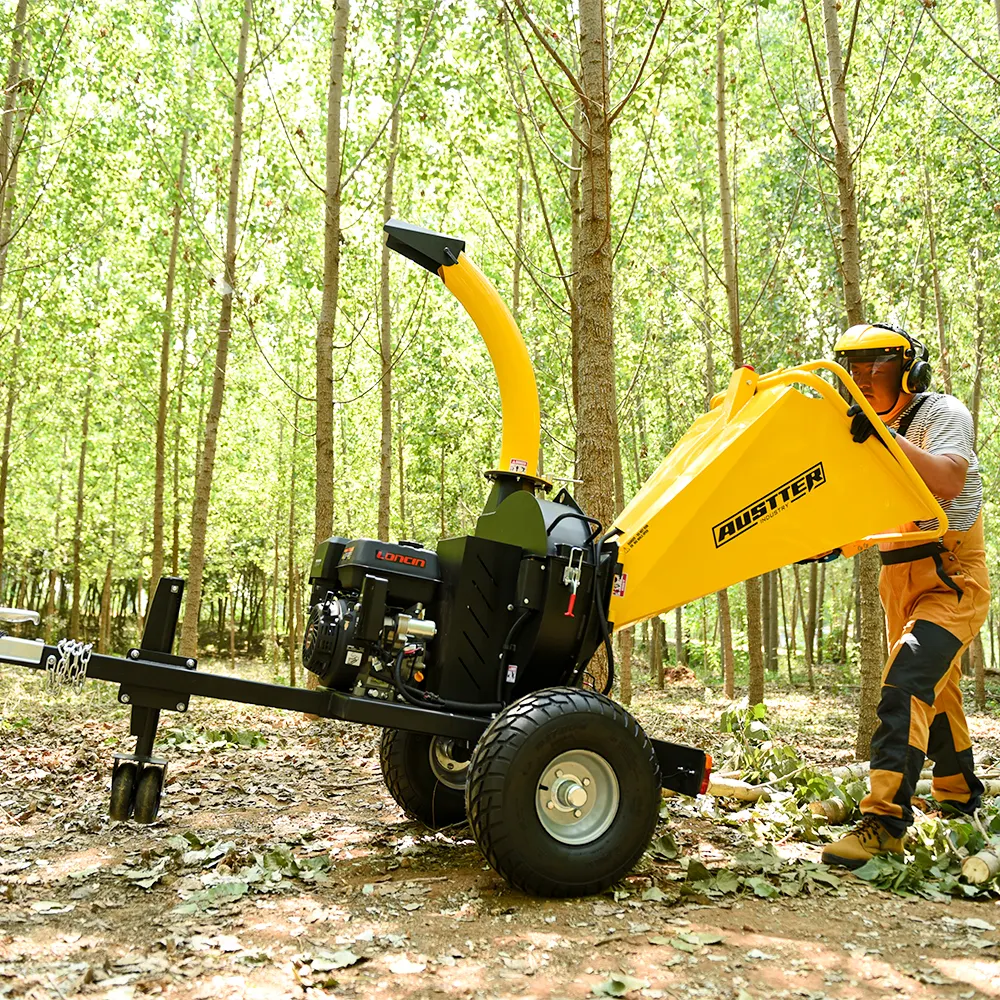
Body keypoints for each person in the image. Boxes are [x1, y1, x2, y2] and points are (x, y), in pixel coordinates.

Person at [819, 322, 991, 869]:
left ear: (908, 368)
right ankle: (960, 799)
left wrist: (883, 437)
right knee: (938, 694)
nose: (864, 376)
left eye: (878, 363)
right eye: (853, 365)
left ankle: (885, 823)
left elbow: (946, 482)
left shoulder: (943, 414)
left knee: (906, 681)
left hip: (952, 576)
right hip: (897, 577)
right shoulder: (856, 426)